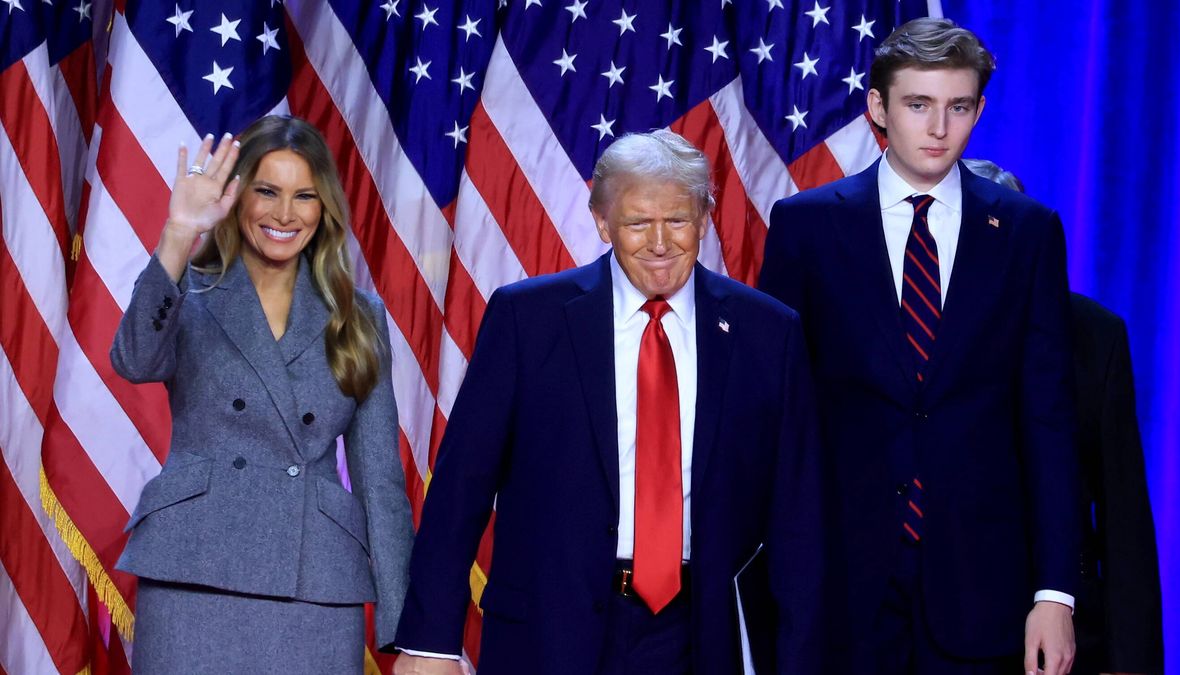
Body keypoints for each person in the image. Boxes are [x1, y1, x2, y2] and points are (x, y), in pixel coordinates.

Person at [391, 130, 823, 674]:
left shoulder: (768, 333)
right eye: (639, 222)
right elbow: (461, 491)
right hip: (551, 632)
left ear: (706, 218)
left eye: (678, 220)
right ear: (602, 222)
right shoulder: (529, 320)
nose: (660, 242)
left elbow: (798, 519)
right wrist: (430, 641)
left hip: (703, 637)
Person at [758, 18, 1082, 675]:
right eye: (918, 105)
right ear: (878, 107)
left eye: (957, 107)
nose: (938, 128)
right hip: (840, 578)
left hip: (982, 582)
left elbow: (1048, 419)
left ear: (979, 110)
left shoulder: (1027, 233)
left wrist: (1055, 591)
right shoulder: (806, 227)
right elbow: (776, 413)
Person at [110, 115, 413, 672]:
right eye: (267, 191)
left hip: (316, 585)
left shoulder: (358, 317)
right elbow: (133, 360)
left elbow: (380, 481)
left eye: (304, 196)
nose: (284, 214)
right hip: (192, 573)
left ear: (324, 209)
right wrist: (178, 233)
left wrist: (406, 633)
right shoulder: (189, 292)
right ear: (236, 196)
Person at [964, 159, 1165, 675]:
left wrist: (1133, 661)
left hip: (1071, 633)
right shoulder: (907, 333)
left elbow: (1124, 520)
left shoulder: (1094, 337)